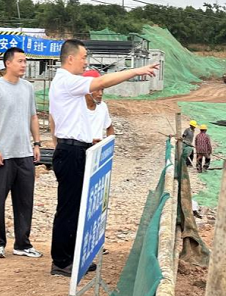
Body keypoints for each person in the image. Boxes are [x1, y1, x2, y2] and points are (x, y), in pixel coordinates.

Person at [48, 39, 160, 277]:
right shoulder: (67, 81)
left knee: (78, 207)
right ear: (70, 58)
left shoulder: (69, 83)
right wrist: (136, 71)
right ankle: (61, 261)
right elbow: (100, 82)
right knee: (68, 207)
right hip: (70, 151)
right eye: (83, 57)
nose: (85, 62)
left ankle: (73, 256)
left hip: (77, 150)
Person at [0, 47, 43, 260]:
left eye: (25, 61)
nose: (24, 65)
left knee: (25, 201)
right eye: (20, 61)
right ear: (8, 63)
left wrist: (37, 144)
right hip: (2, 154)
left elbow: (33, 117)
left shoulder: (28, 88)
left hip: (24, 153)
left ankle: (23, 244)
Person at [82, 69, 115, 143]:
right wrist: (89, 142)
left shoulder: (102, 107)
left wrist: (109, 145)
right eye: (97, 90)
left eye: (102, 90)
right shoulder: (76, 107)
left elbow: (109, 128)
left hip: (97, 148)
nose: (100, 94)